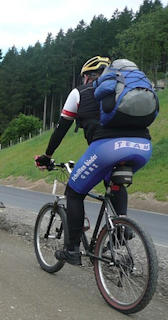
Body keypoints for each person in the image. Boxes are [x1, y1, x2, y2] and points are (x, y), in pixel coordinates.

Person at [35, 56, 152, 265]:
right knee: (114, 183)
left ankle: (72, 250)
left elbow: (62, 128)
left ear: (87, 76)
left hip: (107, 149)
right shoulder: (126, 89)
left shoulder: (79, 92)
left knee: (74, 192)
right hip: (142, 147)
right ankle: (121, 228)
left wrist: (47, 157)